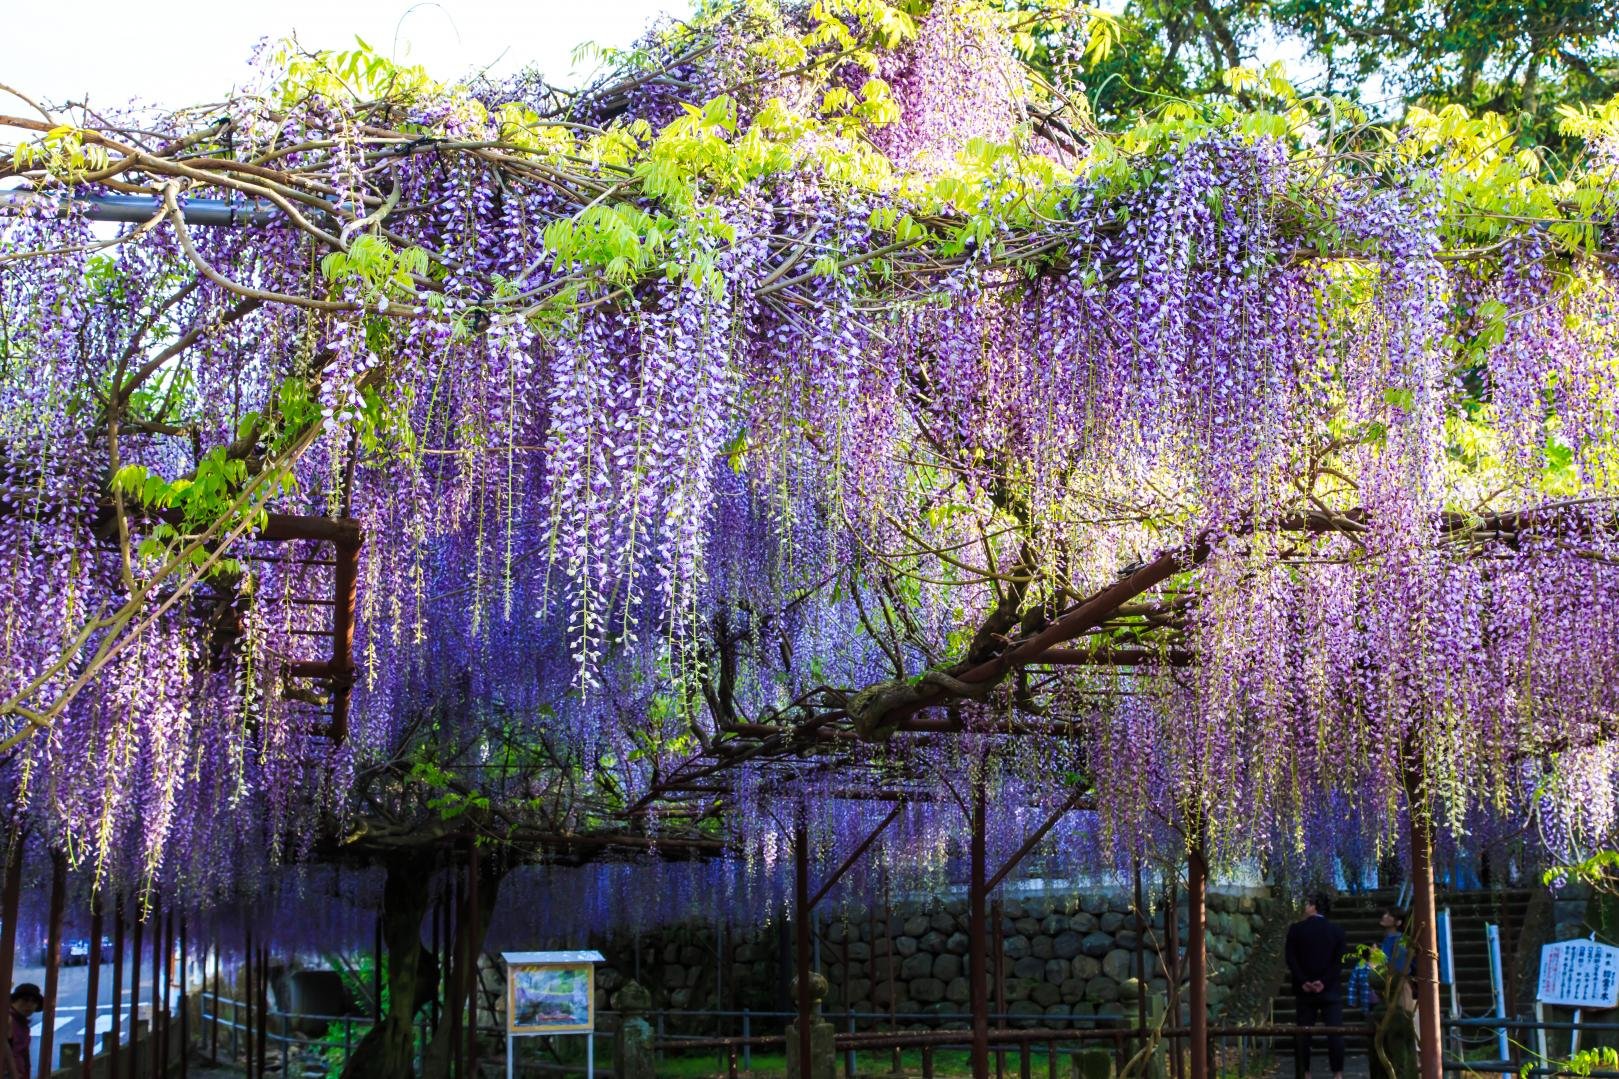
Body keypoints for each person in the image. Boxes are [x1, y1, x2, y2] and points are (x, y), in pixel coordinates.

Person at [1286, 892, 1348, 1079]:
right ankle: (1338, 1073)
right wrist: (1324, 982)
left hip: (1304, 990)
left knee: (1303, 1033)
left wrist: (1303, 981)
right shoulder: (1337, 930)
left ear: (1313, 906)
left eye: (1307, 903)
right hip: (1329, 989)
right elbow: (1339, 962)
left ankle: (1305, 1072)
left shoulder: (1296, 929)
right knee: (1335, 1032)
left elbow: (1291, 959)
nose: (1304, 906)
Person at [7, 983, 41, 1079]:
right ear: (13, 1001)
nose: (29, 1005)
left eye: (34, 1001)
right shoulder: (8, 1020)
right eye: (25, 1000)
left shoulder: (22, 1023)